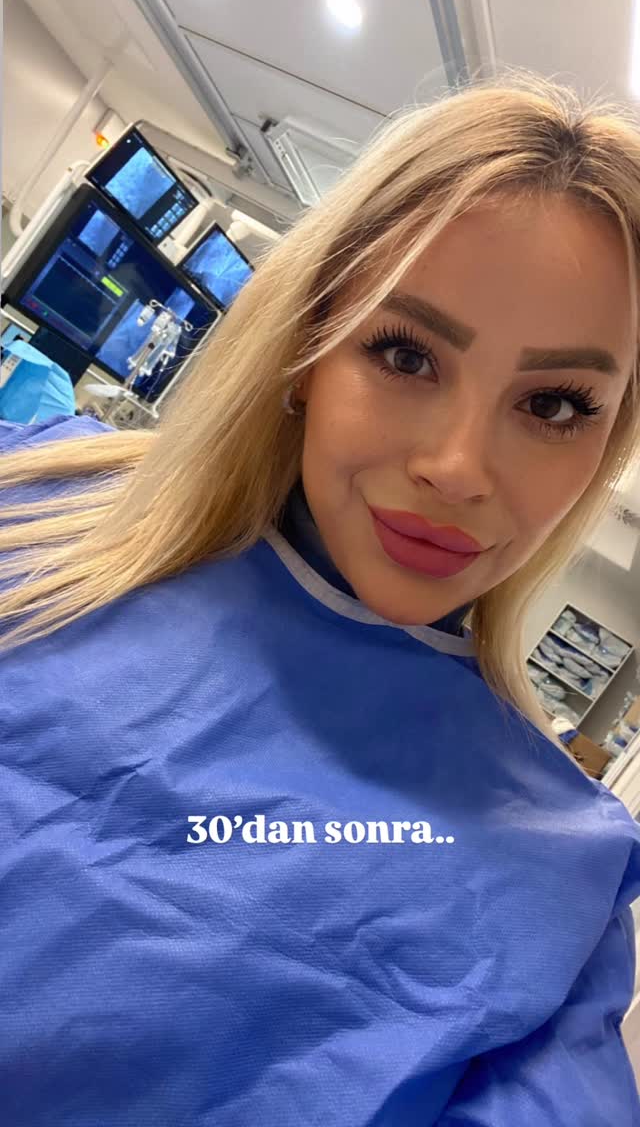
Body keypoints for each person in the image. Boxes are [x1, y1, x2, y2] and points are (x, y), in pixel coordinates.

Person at [1, 70, 640, 1126]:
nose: (456, 467)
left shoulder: (562, 875)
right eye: (406, 353)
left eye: (556, 405)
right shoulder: (29, 503)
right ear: (312, 343)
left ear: (605, 446)